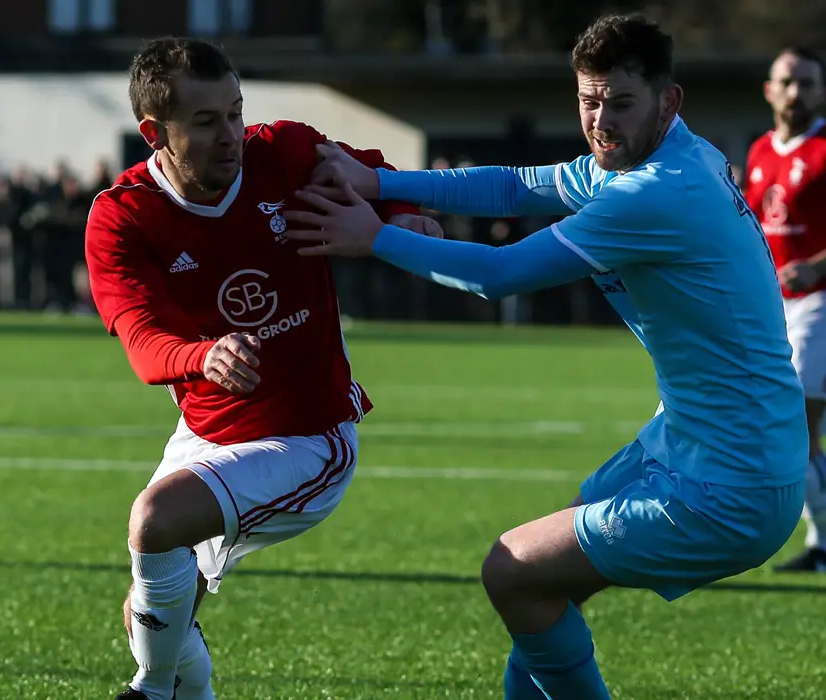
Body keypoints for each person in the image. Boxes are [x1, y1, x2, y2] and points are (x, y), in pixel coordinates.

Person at [282, 14, 807, 699]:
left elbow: (499, 275)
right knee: (542, 577)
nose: (600, 121)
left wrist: (372, 237)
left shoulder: (657, 193)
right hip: (698, 445)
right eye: (589, 101)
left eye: (620, 103)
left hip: (731, 485)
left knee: (513, 569)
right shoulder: (665, 158)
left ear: (668, 101)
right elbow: (516, 186)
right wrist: (381, 187)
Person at [83, 37, 439, 700]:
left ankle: (149, 693)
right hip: (208, 434)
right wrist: (201, 356)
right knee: (148, 613)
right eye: (207, 121)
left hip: (309, 437)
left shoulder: (287, 155)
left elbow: (377, 180)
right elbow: (141, 342)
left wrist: (406, 219)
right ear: (154, 133)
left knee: (154, 521)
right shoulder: (123, 218)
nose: (232, 135)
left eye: (236, 112)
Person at [743, 47, 826, 573]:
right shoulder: (758, 152)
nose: (797, 92)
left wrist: (818, 265)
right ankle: (822, 542)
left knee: (794, 428)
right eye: (788, 82)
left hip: (820, 303)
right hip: (771, 310)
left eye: (809, 84)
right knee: (789, 432)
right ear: (770, 89)